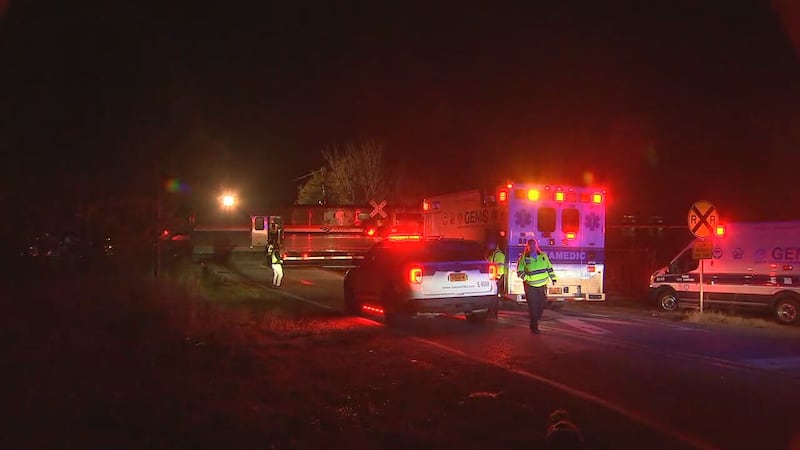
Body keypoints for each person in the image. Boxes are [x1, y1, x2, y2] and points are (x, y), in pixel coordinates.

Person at [517, 238, 557, 334]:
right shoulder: (524, 258)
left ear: (536, 245)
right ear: (528, 246)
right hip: (531, 287)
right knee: (533, 307)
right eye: (530, 245)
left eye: (533, 244)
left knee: (542, 304)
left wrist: (553, 278)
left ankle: (537, 317)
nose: (532, 246)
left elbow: (549, 268)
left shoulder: (543, 256)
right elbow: (519, 271)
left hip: (542, 286)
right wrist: (527, 278)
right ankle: (534, 327)